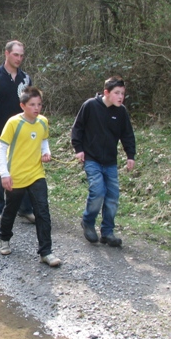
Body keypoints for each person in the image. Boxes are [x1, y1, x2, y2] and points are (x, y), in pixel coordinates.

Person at [0, 86, 61, 267]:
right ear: (22, 105)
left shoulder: (43, 122)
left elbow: (43, 140)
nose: (36, 108)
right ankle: (4, 238)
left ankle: (46, 252)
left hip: (36, 173)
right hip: (15, 175)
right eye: (32, 104)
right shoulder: (13, 123)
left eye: (39, 104)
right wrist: (4, 174)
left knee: (42, 211)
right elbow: (2, 148)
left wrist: (46, 152)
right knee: (11, 209)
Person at [71, 76, 136, 247]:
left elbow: (127, 134)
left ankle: (107, 232)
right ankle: (88, 222)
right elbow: (77, 128)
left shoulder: (121, 112)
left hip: (110, 161)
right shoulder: (91, 105)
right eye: (117, 93)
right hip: (92, 158)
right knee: (98, 191)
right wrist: (79, 150)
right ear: (106, 93)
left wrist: (130, 155)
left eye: (122, 93)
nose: (120, 97)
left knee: (113, 196)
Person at [0, 40, 35, 223]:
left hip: (20, 132)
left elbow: (30, 107)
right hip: (1, 131)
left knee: (24, 170)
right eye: (16, 55)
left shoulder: (26, 79)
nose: (19, 59)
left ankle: (25, 208)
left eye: (21, 55)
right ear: (6, 53)